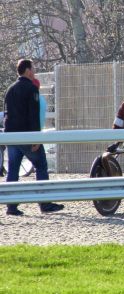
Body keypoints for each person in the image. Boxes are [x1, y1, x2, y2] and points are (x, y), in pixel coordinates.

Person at [3, 59, 64, 216]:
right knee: (41, 165)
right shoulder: (31, 89)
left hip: (11, 136)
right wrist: (36, 138)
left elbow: (7, 114)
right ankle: (44, 203)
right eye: (33, 68)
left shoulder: (10, 89)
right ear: (28, 70)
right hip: (27, 135)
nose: (35, 71)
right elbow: (33, 116)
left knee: (13, 170)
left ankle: (11, 206)